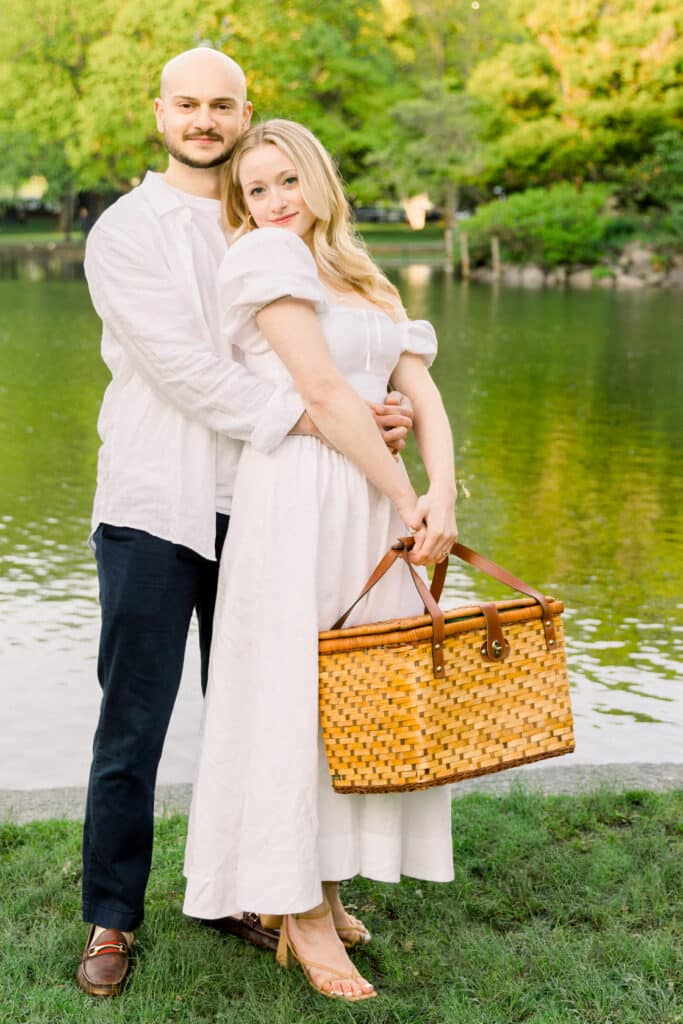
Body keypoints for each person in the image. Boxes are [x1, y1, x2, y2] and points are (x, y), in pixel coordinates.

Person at [76, 49, 412, 998]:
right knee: (132, 723)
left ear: (245, 111)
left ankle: (257, 889)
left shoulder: (268, 216)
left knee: (276, 715)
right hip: (160, 499)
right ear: (160, 113)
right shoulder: (126, 231)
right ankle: (112, 917)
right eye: (187, 103)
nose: (204, 119)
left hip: (274, 507)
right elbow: (186, 369)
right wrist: (324, 417)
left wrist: (367, 405)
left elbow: (332, 342)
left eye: (222, 104)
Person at [182, 119, 458, 1002]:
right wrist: (402, 493)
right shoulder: (263, 264)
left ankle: (327, 880)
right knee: (298, 695)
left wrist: (441, 492)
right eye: (253, 190)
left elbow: (416, 385)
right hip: (303, 497)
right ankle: (295, 913)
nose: (272, 202)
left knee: (358, 699)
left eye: (284, 181)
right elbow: (324, 393)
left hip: (372, 497)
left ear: (318, 180)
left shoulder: (358, 272)